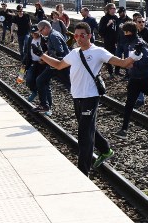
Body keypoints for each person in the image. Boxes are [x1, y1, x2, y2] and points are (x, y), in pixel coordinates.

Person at [33, 22, 134, 175]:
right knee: (87, 128)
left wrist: (134, 55)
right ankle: (106, 149)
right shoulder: (74, 52)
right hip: (77, 96)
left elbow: (123, 63)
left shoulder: (99, 52)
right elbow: (59, 65)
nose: (79, 38)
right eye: (76, 36)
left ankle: (83, 172)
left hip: (90, 97)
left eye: (82, 35)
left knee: (84, 135)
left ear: (90, 36)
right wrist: (41, 55)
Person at [33, 19, 71, 116]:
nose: (40, 33)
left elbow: (60, 52)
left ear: (45, 28)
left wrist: (46, 56)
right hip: (55, 65)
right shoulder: (52, 34)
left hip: (61, 65)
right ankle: (44, 105)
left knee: (71, 86)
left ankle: (82, 101)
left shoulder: (53, 36)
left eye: (41, 31)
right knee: (40, 80)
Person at [22, 25, 46, 103]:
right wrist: (24, 62)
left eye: (35, 33)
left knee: (43, 84)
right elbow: (27, 52)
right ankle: (34, 91)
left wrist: (45, 60)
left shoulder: (44, 39)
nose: (34, 35)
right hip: (33, 62)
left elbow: (49, 51)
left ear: (39, 31)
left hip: (42, 64)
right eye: (32, 33)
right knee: (29, 79)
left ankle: (47, 104)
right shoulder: (30, 39)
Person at [98, 3, 119, 78]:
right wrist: (107, 24)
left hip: (116, 40)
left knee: (117, 55)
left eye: (114, 9)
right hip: (108, 40)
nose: (114, 10)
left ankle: (117, 71)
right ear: (108, 10)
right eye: (112, 9)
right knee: (108, 55)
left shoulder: (116, 18)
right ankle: (110, 72)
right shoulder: (104, 18)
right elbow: (100, 30)